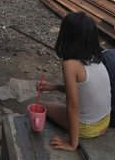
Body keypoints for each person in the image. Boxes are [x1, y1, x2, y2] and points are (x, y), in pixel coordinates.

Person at [38, 12, 111, 151]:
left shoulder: (70, 64)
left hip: (87, 127)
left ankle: (75, 140)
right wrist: (54, 87)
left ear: (66, 36)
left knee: (42, 106)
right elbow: (84, 90)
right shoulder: (96, 58)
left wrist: (72, 143)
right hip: (104, 123)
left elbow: (73, 106)